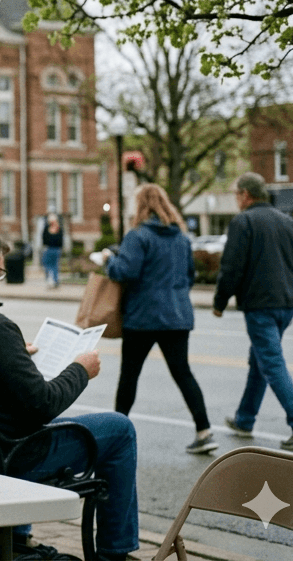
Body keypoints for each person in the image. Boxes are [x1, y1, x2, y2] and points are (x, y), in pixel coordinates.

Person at [0, 224, 139, 561]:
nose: (0, 277)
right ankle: (114, 553)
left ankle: (18, 544)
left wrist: (16, 359)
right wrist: (80, 370)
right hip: (11, 461)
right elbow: (42, 405)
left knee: (14, 417)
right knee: (119, 429)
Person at [213, 172, 293, 451]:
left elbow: (231, 267)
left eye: (237, 194)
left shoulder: (243, 221)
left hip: (260, 305)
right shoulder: (288, 222)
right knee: (259, 361)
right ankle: (245, 418)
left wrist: (220, 301)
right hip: (286, 305)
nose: (236, 200)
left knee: (271, 363)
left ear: (246, 195)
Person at [103, 184, 214, 454]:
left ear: (140, 206)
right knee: (183, 373)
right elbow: (189, 276)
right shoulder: (181, 238)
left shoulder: (138, 235)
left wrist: (108, 260)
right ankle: (204, 430)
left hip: (142, 316)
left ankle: (117, 436)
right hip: (177, 315)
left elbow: (126, 271)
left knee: (129, 375)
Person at [41, 215, 63, 288]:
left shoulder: (59, 229)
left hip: (56, 249)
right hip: (48, 249)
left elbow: (60, 241)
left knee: (55, 266)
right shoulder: (46, 228)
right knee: (47, 265)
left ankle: (55, 281)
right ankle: (49, 280)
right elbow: (44, 239)